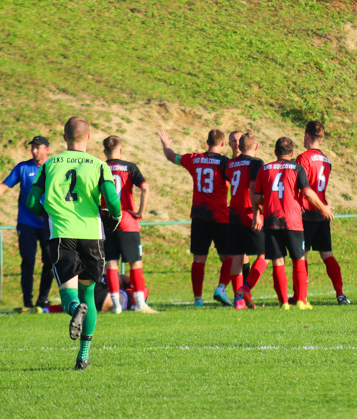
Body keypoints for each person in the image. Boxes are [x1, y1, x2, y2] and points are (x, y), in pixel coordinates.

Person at [26, 117, 121, 371]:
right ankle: (83, 355)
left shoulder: (49, 165)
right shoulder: (100, 165)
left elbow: (31, 202)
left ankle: (73, 308)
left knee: (69, 293)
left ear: (64, 137)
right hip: (92, 234)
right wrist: (117, 216)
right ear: (88, 137)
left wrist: (46, 214)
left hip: (62, 233)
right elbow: (112, 201)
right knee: (89, 293)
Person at [253, 137, 333, 309]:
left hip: (272, 220)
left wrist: (267, 203)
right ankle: (301, 301)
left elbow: (257, 197)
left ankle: (283, 302)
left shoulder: (264, 169)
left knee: (277, 261)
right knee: (298, 259)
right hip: (293, 221)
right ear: (292, 153)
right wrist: (323, 208)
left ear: (275, 152)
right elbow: (308, 193)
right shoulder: (297, 168)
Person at [158, 129, 233, 307]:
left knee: (199, 259)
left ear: (207, 142)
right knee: (230, 256)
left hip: (199, 215)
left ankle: (198, 300)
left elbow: (172, 156)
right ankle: (221, 288)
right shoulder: (225, 163)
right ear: (223, 144)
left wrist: (166, 144)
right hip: (220, 216)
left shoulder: (194, 159)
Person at [0, 136, 53, 310]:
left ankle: (43, 299)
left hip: (48, 223)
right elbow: (5, 185)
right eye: (32, 148)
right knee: (28, 261)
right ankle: (27, 302)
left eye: (38, 147)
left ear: (47, 149)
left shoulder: (53, 168)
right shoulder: (23, 167)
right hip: (26, 223)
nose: (34, 151)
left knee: (50, 260)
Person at [102, 135, 157, 314]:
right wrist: (140, 211)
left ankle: (116, 304)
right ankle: (140, 304)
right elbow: (145, 188)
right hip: (126, 220)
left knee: (110, 263)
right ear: (121, 149)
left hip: (106, 221)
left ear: (104, 151)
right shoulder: (130, 167)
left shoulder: (99, 167)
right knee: (135, 263)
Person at [297, 121, 350, 305]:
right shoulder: (327, 160)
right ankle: (340, 293)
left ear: (307, 136)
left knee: (301, 255)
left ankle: (300, 296)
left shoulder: (302, 158)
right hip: (323, 213)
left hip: (307, 212)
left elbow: (305, 189)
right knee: (327, 254)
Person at [228, 133, 267, 309]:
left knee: (237, 256)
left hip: (233, 213)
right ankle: (246, 288)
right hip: (248, 214)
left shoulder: (231, 163)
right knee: (267, 253)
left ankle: (239, 301)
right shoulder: (256, 163)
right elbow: (253, 189)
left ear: (239, 146)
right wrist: (257, 213)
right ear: (256, 147)